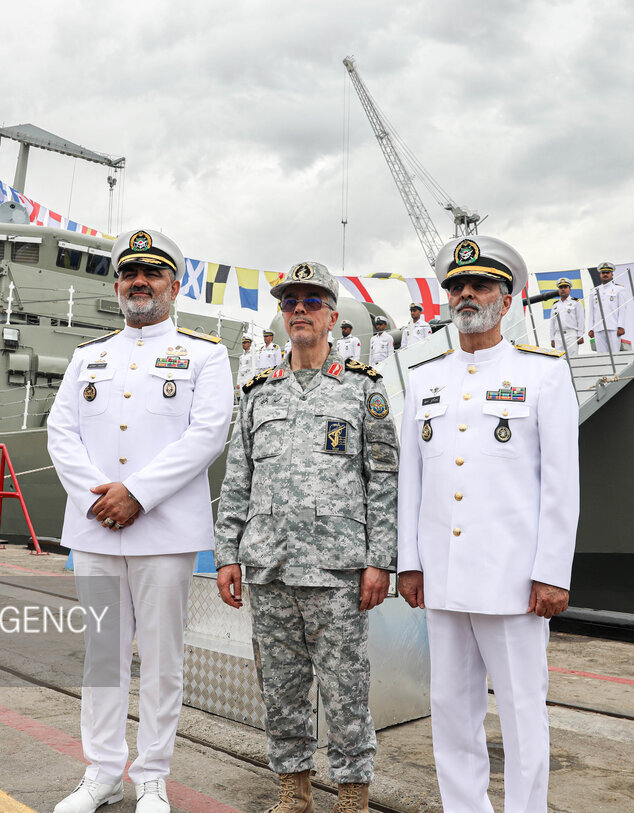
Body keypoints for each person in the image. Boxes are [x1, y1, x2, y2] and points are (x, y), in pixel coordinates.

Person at [47, 229, 234, 813]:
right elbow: (62, 432)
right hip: (97, 528)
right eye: (130, 273)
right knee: (103, 656)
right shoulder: (88, 357)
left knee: (161, 659)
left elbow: (207, 434)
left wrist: (137, 494)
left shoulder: (206, 354)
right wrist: (97, 499)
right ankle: (101, 772)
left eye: (152, 273)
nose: (139, 282)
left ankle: (151, 776)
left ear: (174, 286)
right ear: (118, 283)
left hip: (164, 532)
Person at [397, 235, 579, 813]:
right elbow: (412, 480)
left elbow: (561, 484)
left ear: (507, 297)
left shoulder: (543, 374)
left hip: (514, 580)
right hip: (444, 580)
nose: (466, 294)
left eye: (480, 285)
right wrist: (410, 562)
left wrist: (552, 572)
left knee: (524, 714)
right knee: (451, 711)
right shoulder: (425, 379)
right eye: (456, 285)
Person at [215, 261, 398, 813]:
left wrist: (380, 560)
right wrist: (227, 552)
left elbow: (383, 480)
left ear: (332, 317)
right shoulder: (257, 394)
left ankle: (351, 797)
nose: (299, 310)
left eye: (311, 302)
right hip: (269, 567)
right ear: (281, 315)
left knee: (346, 691)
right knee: (281, 687)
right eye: (290, 301)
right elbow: (237, 479)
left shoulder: (363, 391)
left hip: (338, 571)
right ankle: (293, 793)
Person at [586, 262, 631, 352]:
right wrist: (591, 328)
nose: (605, 274)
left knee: (614, 354)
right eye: (603, 273)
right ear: (600, 275)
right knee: (601, 355)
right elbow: (591, 311)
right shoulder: (594, 291)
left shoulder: (619, 289)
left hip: (613, 327)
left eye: (607, 272)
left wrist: (621, 326)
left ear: (612, 274)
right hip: (598, 328)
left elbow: (622, 309)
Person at [548, 278, 585, 354]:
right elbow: (552, 322)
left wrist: (580, 335)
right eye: (561, 287)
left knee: (572, 358)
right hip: (558, 335)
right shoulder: (555, 305)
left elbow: (581, 320)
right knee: (559, 359)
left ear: (570, 289)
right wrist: (552, 338)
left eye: (565, 287)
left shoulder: (576, 302)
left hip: (571, 334)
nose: (563, 289)